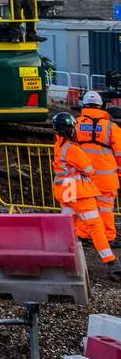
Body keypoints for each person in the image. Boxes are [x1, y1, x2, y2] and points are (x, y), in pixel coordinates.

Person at [51, 112, 119, 276]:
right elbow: (89, 169)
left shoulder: (58, 146)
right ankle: (111, 262)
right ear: (69, 129)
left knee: (69, 227)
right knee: (95, 227)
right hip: (79, 193)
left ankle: (65, 262)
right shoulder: (72, 149)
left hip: (65, 191)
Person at [75, 92, 119, 241]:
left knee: (85, 205)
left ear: (84, 105)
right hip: (107, 176)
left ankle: (84, 234)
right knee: (106, 208)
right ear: (102, 106)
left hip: (83, 175)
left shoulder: (76, 124)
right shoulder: (111, 127)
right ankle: (106, 236)